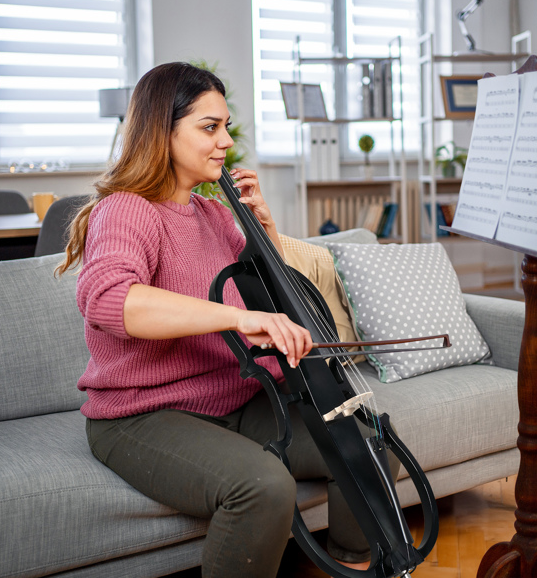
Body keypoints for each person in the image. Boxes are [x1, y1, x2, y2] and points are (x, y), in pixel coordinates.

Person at [58, 62, 396, 577]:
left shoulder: (215, 213)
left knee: (365, 445)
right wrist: (235, 318)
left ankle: (356, 564)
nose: (225, 142)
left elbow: (278, 298)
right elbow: (110, 300)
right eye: (209, 127)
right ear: (162, 130)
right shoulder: (127, 210)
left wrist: (265, 229)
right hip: (142, 414)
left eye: (227, 127)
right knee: (262, 486)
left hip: (234, 400)